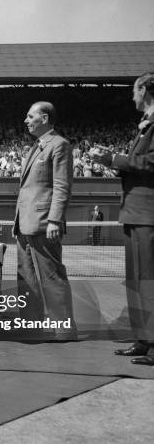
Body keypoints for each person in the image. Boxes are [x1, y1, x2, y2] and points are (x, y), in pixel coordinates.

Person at [90, 72, 154, 364]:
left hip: (147, 213)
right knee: (135, 279)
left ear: (146, 91)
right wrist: (114, 161)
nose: (131, 96)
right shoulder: (144, 126)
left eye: (134, 91)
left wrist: (114, 159)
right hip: (134, 211)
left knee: (147, 279)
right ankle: (143, 339)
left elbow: (150, 162)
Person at [13, 101, 77, 341]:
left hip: (44, 223)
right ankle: (31, 325)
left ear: (45, 119)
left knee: (51, 275)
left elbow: (62, 187)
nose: (26, 120)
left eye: (30, 116)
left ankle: (65, 329)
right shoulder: (35, 147)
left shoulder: (59, 145)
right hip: (23, 224)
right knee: (26, 277)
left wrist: (55, 220)